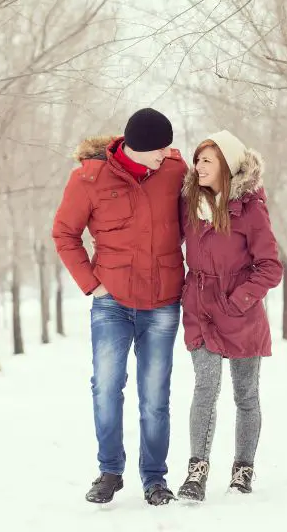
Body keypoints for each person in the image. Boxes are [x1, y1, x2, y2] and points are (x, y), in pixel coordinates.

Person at [52, 108, 186, 506]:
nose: (166, 153)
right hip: (110, 300)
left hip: (162, 301)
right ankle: (110, 471)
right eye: (159, 148)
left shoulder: (176, 172)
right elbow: (64, 233)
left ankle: (155, 478)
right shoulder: (88, 179)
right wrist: (91, 284)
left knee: (155, 395)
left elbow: (205, 209)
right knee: (107, 388)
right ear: (138, 147)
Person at [177, 130, 282, 502]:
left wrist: (238, 301)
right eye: (197, 159)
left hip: (241, 315)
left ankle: (242, 470)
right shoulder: (189, 203)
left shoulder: (250, 208)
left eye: (207, 160)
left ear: (226, 163)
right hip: (200, 311)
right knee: (204, 389)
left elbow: (271, 267)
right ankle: (196, 471)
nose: (198, 166)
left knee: (245, 395)